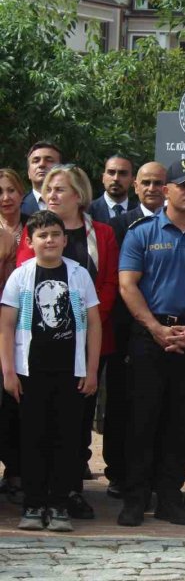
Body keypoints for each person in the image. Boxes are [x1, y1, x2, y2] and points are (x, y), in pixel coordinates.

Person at [116, 159, 185, 527]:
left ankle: (170, 498)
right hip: (150, 338)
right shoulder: (141, 232)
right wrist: (154, 328)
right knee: (142, 420)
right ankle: (135, 499)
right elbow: (127, 285)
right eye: (183, 185)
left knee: (182, 423)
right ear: (166, 190)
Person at [16, 164, 119, 521]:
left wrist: (87, 323)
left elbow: (106, 282)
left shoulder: (100, 233)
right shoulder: (36, 236)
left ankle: (69, 491)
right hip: (36, 351)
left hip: (87, 344)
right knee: (36, 427)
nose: (53, 195)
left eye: (60, 189)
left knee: (76, 424)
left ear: (79, 194)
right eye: (49, 189)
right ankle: (36, 494)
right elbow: (19, 295)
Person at [0, 210, 101, 532]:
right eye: (42, 236)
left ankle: (58, 504)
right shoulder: (21, 275)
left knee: (66, 439)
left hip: (70, 372)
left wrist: (92, 369)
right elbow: (6, 325)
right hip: (30, 373)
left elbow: (95, 322)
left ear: (65, 239)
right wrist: (8, 372)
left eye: (55, 235)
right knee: (32, 439)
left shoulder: (79, 274)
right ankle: (33, 504)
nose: (50, 241)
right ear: (30, 242)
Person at [103, 161, 167, 499]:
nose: (153, 188)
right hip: (126, 328)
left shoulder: (181, 224)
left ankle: (154, 473)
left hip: (166, 328)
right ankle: (117, 471)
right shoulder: (119, 225)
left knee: (157, 405)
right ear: (136, 187)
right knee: (121, 403)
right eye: (147, 182)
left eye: (159, 182)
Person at [0, 169, 27, 504]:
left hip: (28, 327)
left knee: (17, 402)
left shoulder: (37, 228)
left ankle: (18, 470)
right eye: (0, 191)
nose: (5, 197)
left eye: (11, 190)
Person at [87, 155, 138, 224]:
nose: (116, 178)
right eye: (111, 172)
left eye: (122, 173)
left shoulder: (140, 213)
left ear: (132, 180)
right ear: (103, 178)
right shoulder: (87, 211)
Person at [20, 141, 61, 216]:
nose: (42, 164)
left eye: (49, 160)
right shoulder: (18, 207)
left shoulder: (80, 206)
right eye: (36, 161)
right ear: (28, 172)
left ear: (61, 168)